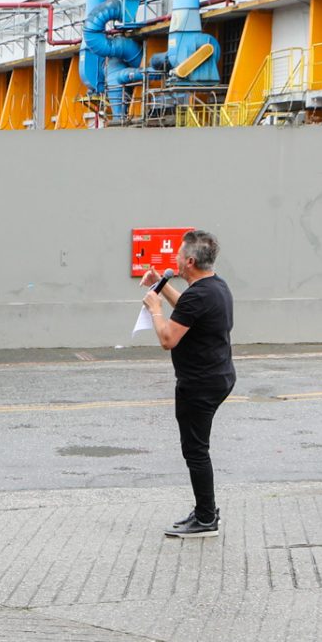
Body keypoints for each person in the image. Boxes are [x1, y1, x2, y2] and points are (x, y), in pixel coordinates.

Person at [136, 229, 236, 539]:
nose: (175, 260)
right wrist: (160, 287)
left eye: (179, 255)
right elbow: (188, 309)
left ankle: (206, 518)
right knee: (197, 448)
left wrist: (155, 309)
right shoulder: (215, 287)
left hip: (200, 383)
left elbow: (168, 338)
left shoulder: (199, 294)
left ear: (190, 261)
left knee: (195, 451)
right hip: (217, 376)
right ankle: (204, 510)